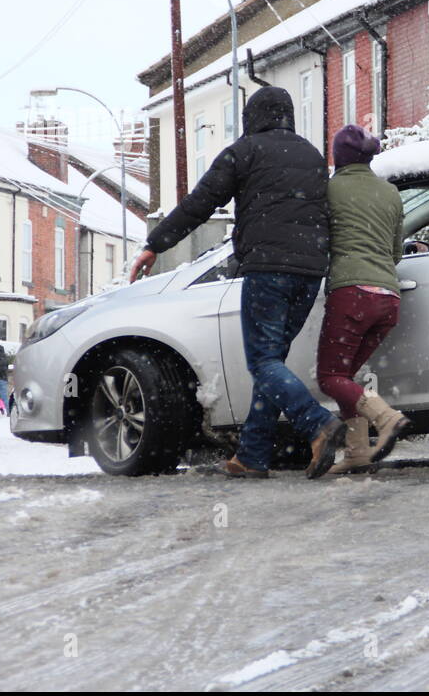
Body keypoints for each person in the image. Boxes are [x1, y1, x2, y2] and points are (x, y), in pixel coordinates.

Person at [129, 85, 347, 479]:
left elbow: (200, 202)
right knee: (271, 363)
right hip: (311, 272)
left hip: (268, 270)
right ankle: (252, 455)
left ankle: (316, 423)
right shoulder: (313, 156)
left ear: (252, 118)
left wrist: (155, 244)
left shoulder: (243, 152)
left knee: (262, 362)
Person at [315, 124, 408, 475]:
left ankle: (385, 418)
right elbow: (395, 251)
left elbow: (320, 242)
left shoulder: (330, 190)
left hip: (351, 295)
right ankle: (356, 452)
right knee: (345, 376)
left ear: (338, 157)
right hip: (389, 299)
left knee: (328, 376)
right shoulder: (390, 193)